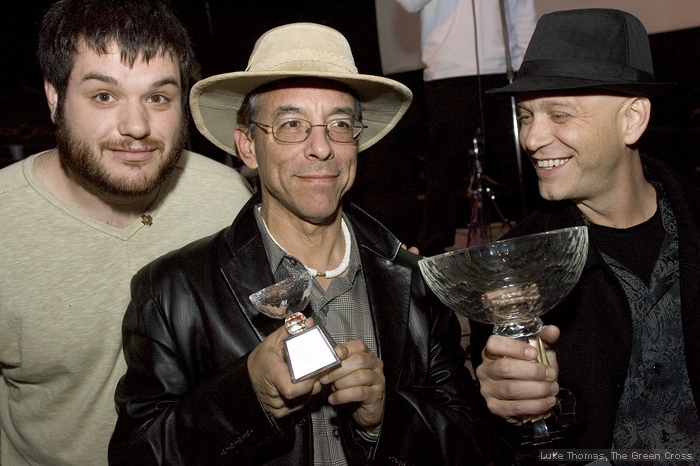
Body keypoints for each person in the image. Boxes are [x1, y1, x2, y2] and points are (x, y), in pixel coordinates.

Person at [108, 22, 496, 466]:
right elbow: (137, 455)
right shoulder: (174, 291)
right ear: (248, 146)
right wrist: (246, 395)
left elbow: (476, 443)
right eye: (291, 124)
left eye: (339, 124)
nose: (321, 147)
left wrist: (387, 416)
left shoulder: (415, 283)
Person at [0, 0, 253, 464]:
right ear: (54, 97)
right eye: (104, 96)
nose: (136, 127)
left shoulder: (228, 201)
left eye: (158, 97)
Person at [469, 8, 700, 463]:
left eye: (559, 114)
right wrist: (508, 403)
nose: (533, 138)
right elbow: (503, 422)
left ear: (632, 119)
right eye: (527, 116)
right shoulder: (514, 266)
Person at [396, 0, 537, 255]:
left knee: (521, 159)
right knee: (443, 167)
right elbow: (409, 4)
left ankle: (538, 229)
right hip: (447, 72)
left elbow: (521, 13)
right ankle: (432, 250)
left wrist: (529, 70)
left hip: (502, 69)